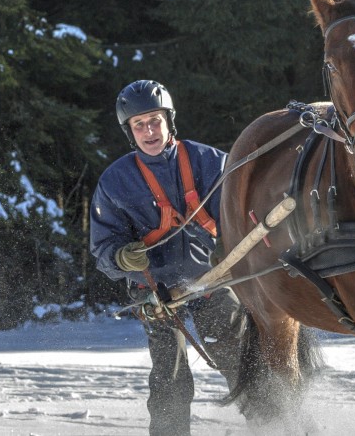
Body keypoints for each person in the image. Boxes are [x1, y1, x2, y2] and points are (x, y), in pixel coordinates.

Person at [88, 80, 246, 435]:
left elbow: (243, 212)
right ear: (129, 131)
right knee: (169, 375)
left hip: (209, 278)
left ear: (169, 121)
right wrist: (123, 258)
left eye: (155, 121)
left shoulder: (211, 162)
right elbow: (103, 249)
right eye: (138, 124)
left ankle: (278, 424)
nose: (148, 131)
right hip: (155, 291)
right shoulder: (114, 182)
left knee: (241, 357)